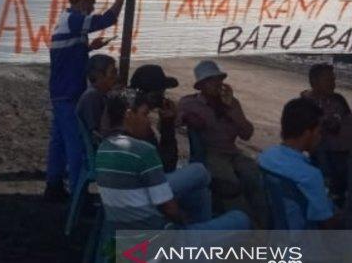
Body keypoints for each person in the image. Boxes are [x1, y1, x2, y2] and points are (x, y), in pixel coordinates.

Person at [95, 92, 251, 230]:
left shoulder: (104, 146)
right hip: (158, 243)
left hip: (127, 232)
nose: (148, 121)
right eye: (145, 114)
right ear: (129, 115)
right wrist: (181, 224)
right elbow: (168, 207)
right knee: (240, 218)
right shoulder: (142, 150)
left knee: (199, 191)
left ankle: (199, 250)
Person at [44, 0, 131, 201]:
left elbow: (69, 53)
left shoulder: (68, 21)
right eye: (91, 1)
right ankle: (78, 196)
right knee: (76, 146)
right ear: (81, 0)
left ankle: (53, 186)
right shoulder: (74, 20)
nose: (92, 6)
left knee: (60, 140)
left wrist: (88, 46)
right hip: (69, 91)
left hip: (60, 90)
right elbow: (109, 18)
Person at [179, 60, 266, 225]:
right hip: (210, 152)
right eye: (211, 81)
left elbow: (247, 134)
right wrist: (186, 118)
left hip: (232, 152)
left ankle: (264, 222)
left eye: (219, 80)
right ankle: (243, 223)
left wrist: (232, 110)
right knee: (229, 183)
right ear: (202, 85)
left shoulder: (231, 103)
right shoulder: (190, 103)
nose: (217, 84)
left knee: (255, 176)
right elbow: (174, 120)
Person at [258, 98, 344, 229]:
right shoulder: (310, 176)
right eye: (319, 131)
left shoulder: (266, 157)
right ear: (307, 134)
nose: (321, 137)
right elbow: (328, 223)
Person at [302, 63, 352, 205]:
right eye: (328, 80)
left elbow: (350, 122)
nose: (333, 83)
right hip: (322, 151)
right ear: (314, 82)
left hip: (343, 147)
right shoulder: (306, 102)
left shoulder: (338, 99)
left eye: (334, 79)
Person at [129, 64, 180, 172]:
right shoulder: (139, 122)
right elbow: (167, 164)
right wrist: (168, 124)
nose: (163, 97)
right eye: (161, 93)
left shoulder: (125, 111)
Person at [76, 54, 118, 147]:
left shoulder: (100, 94)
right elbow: (96, 134)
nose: (116, 77)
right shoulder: (92, 96)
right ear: (99, 75)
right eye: (113, 72)